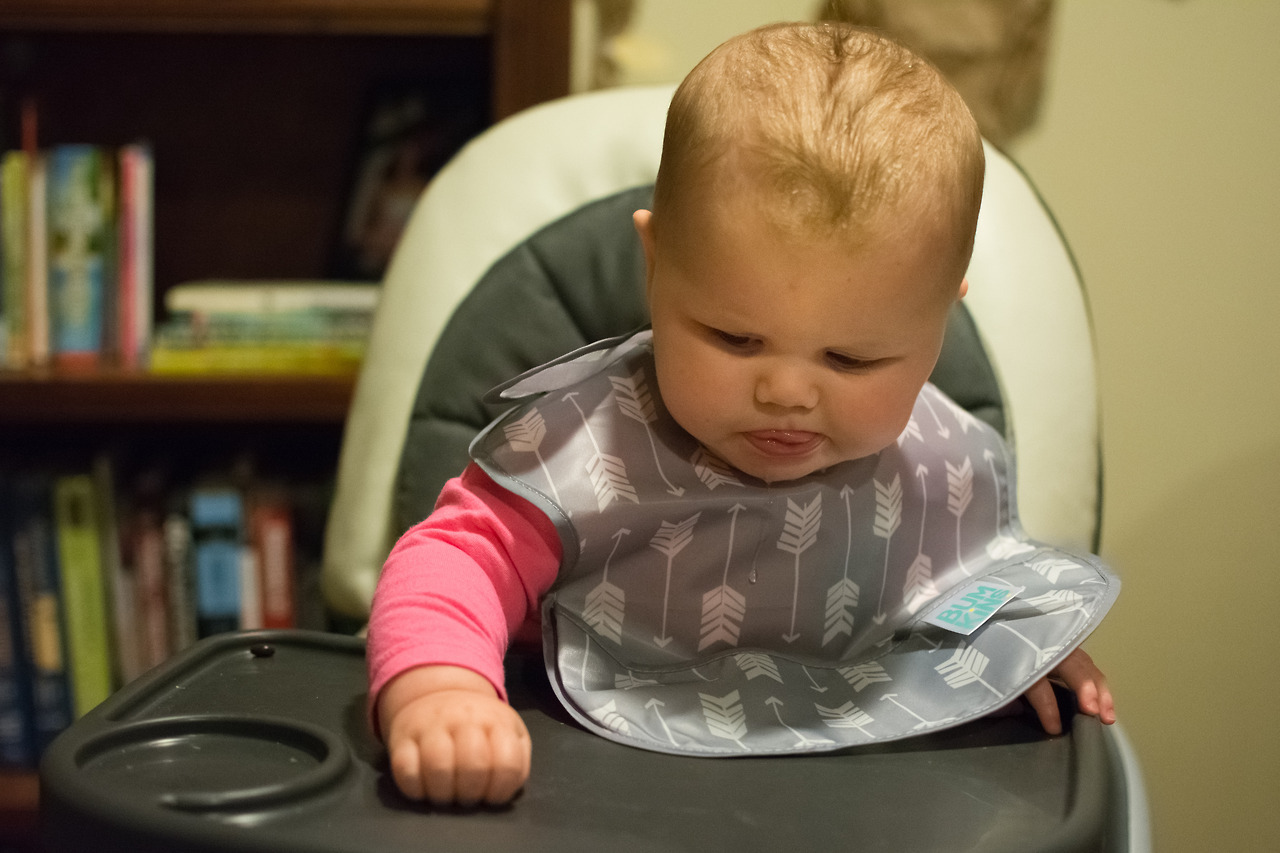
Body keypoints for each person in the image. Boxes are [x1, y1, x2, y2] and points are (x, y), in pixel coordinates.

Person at [368, 21, 1118, 808]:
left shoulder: (937, 466)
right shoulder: (588, 449)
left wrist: (1018, 650)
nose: (787, 391)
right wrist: (441, 688)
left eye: (851, 358)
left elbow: (976, 584)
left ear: (939, 319)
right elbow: (456, 561)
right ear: (655, 266)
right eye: (735, 338)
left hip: (854, 804)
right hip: (592, 788)